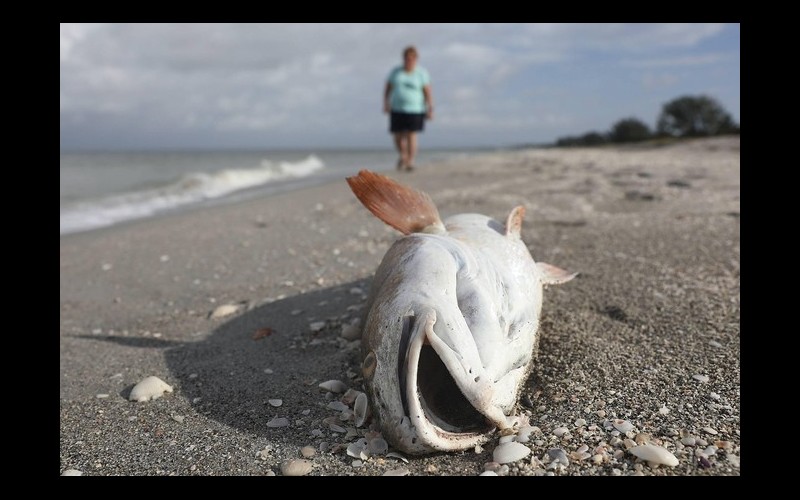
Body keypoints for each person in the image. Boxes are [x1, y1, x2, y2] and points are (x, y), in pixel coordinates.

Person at [383, 46, 434, 172]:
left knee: (412, 134)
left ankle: (410, 161)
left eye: (412, 59)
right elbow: (388, 88)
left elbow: (427, 91)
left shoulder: (421, 73)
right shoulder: (396, 72)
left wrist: (430, 108)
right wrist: (386, 102)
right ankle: (403, 155)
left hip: (416, 109)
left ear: (416, 59)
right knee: (397, 135)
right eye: (407, 58)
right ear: (403, 59)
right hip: (397, 108)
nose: (409, 61)